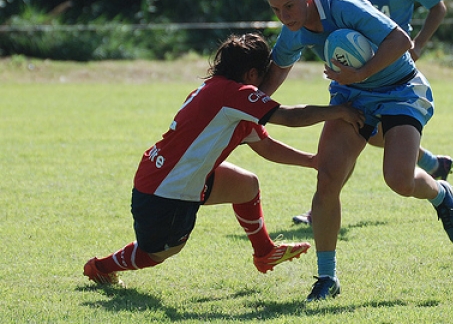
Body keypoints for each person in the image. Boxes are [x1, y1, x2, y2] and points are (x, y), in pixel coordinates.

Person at [83, 33, 365, 287]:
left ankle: (265, 253)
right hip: (166, 191)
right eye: (264, 76)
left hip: (164, 174)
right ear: (252, 73)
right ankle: (100, 267)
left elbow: (264, 146)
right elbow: (290, 117)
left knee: (246, 185)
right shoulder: (237, 95)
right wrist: (339, 111)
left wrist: (312, 161)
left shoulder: (221, 93)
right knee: (159, 252)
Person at [262, 0, 453, 302]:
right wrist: (242, 106)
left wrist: (361, 72)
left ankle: (440, 193)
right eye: (276, 10)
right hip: (351, 98)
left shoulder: (343, 5)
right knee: (327, 178)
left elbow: (401, 41)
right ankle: (327, 278)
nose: (285, 16)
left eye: (289, 5)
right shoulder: (292, 32)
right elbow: (273, 77)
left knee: (399, 180)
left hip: (399, 88)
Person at [291, 0, 453, 226]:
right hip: (352, 74)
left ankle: (429, 167)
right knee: (355, 133)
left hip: (391, 69)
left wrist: (417, 44)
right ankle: (429, 161)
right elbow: (318, 7)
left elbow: (438, 7)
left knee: (377, 138)